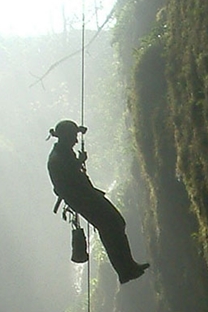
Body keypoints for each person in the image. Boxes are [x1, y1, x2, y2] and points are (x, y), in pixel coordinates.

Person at [48, 119, 149, 284]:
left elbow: (69, 177)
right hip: (84, 199)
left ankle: (128, 267)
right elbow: (67, 182)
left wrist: (79, 162)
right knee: (112, 225)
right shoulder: (58, 158)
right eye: (74, 136)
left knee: (115, 225)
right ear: (66, 137)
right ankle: (126, 270)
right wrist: (79, 165)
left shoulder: (63, 152)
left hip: (86, 197)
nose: (76, 139)